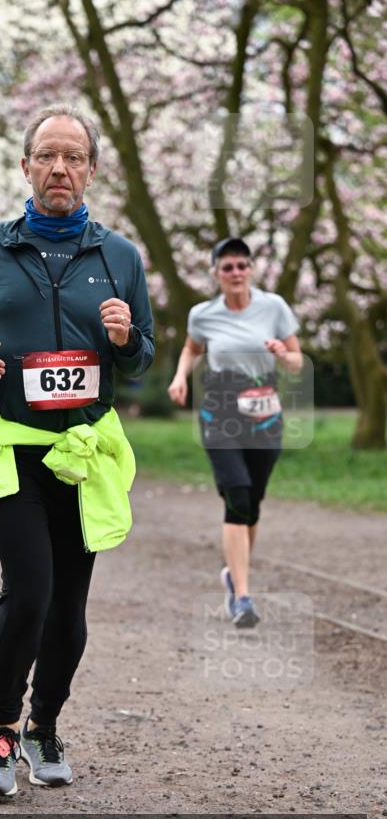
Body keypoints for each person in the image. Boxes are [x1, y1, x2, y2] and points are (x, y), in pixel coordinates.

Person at [0, 104, 155, 797]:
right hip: (11, 444)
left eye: (73, 157)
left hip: (81, 449)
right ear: (24, 165)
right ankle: (0, 735)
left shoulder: (119, 257)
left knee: (68, 606)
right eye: (46, 156)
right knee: (27, 590)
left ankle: (43, 728)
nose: (59, 168)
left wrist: (123, 341)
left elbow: (144, 358)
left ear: (90, 169)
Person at [168, 237, 303, 628]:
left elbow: (296, 362)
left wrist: (283, 353)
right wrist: (180, 378)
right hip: (220, 415)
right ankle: (242, 597)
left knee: (253, 503)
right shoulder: (203, 314)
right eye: (227, 267)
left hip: (265, 416)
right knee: (237, 495)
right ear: (216, 274)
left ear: (252, 270)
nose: (236, 273)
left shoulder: (274, 307)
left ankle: (232, 573)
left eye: (242, 265)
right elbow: (192, 349)